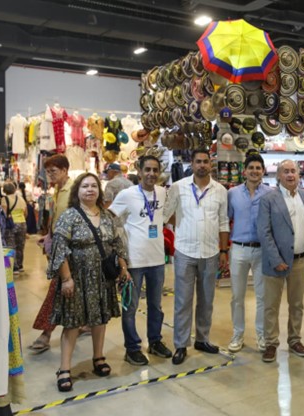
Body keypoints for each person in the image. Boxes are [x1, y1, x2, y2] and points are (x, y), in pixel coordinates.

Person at [48, 173, 128, 392]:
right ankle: (64, 368)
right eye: (85, 186)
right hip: (77, 278)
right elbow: (59, 249)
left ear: (99, 191)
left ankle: (98, 357)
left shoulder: (107, 216)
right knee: (73, 323)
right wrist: (66, 279)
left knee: (100, 318)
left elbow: (117, 243)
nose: (90, 189)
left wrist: (123, 268)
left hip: (102, 278)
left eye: (94, 186)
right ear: (78, 191)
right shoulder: (69, 216)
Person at [163, 149, 230, 365]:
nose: (202, 165)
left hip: (210, 252)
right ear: (191, 164)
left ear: (210, 164)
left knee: (206, 300)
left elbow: (223, 222)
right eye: (198, 161)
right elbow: (166, 214)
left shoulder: (220, 190)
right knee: (183, 300)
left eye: (205, 161)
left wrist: (223, 250)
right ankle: (181, 344)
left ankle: (202, 339)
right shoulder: (178, 187)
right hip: (185, 251)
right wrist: (183, 225)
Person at [110, 155, 172, 366]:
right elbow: (110, 218)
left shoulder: (162, 193)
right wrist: (118, 251)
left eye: (155, 170)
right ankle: (132, 348)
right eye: (147, 169)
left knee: (156, 305)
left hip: (157, 260)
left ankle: (154, 341)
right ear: (139, 170)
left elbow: (165, 217)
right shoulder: (127, 195)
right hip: (134, 261)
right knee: (130, 307)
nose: (151, 174)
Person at [257, 160, 304, 363]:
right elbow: (264, 232)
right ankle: (271, 343)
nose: (290, 175)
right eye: (286, 171)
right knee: (271, 305)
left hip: (299, 260)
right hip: (276, 262)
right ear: (278, 176)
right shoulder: (268, 199)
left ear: (299, 175)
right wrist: (276, 259)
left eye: (293, 171)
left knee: (297, 304)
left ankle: (295, 340)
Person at [227, 154, 271, 353]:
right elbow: (226, 219)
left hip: (262, 250)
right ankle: (238, 334)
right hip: (239, 249)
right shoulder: (233, 193)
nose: (254, 171)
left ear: (263, 171)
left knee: (263, 296)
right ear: (244, 171)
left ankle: (261, 335)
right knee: (237, 296)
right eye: (251, 167)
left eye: (258, 168)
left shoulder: (270, 194)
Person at [29, 154, 73, 353]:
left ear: (64, 170)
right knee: (66, 290)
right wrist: (49, 236)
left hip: (71, 250)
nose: (50, 175)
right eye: (47, 172)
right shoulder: (57, 190)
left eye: (53, 171)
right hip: (58, 247)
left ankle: (46, 333)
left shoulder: (73, 190)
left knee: (57, 291)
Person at [1, 182, 28, 273]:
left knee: (10, 245)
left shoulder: (4, 199)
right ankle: (20, 265)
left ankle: (13, 267)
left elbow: (4, 213)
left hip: (11, 224)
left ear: (4, 190)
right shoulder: (21, 198)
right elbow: (26, 213)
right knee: (20, 245)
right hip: (22, 223)